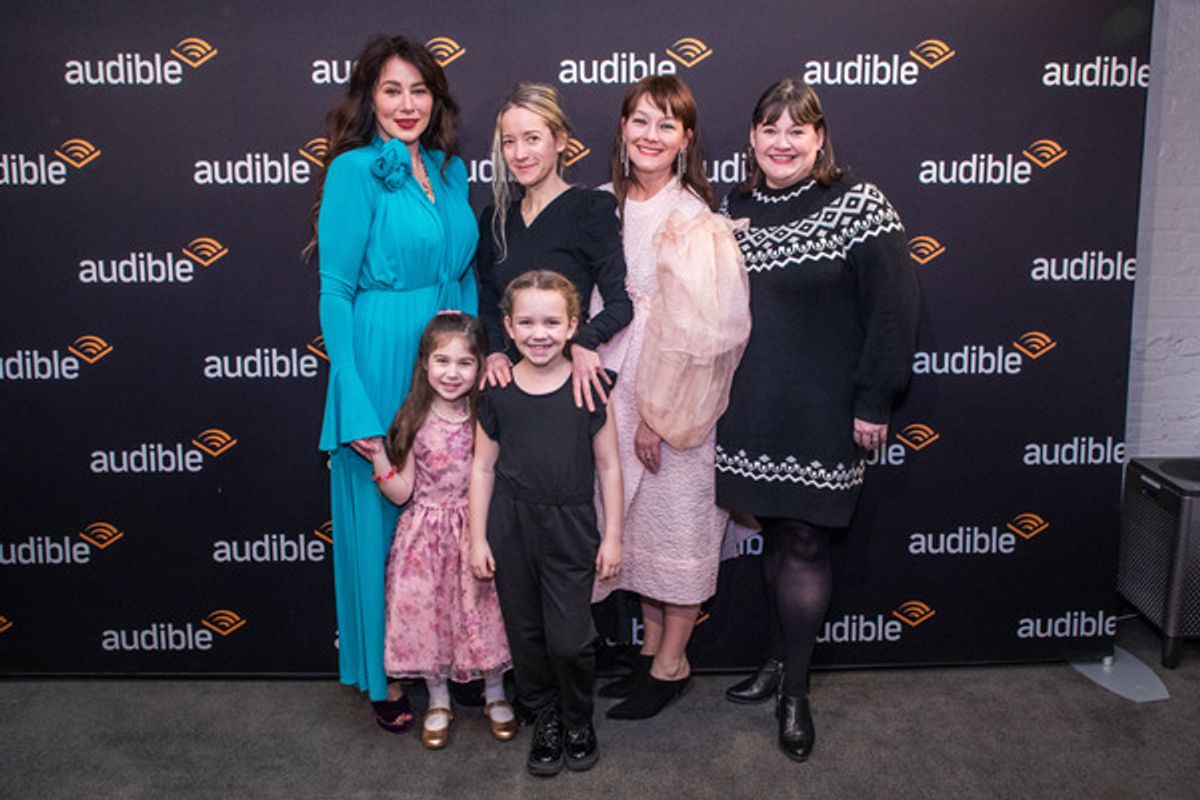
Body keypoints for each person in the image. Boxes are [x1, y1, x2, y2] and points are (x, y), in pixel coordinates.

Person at [716, 78, 919, 762]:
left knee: (804, 543)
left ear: (819, 137)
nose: (782, 142)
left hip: (824, 409)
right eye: (769, 129)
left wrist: (874, 399)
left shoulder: (859, 203)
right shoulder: (733, 205)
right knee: (775, 535)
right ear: (752, 138)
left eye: (796, 131)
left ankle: (796, 694)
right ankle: (775, 663)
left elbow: (893, 309)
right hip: (751, 406)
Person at [312, 34, 478, 731]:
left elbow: (464, 273)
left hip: (444, 362)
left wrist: (474, 363)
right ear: (369, 99)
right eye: (391, 90)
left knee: (445, 527)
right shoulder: (353, 171)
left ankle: (446, 657)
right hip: (380, 359)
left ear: (436, 99)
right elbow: (334, 290)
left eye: (420, 90)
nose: (407, 104)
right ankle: (384, 678)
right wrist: (351, 399)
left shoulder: (451, 169)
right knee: (380, 526)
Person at [592, 76, 750, 721]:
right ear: (623, 128)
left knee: (677, 522)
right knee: (633, 525)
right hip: (606, 389)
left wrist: (662, 414)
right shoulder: (600, 203)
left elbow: (704, 335)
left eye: (666, 124)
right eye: (640, 121)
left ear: (686, 139)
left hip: (671, 397)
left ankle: (671, 662)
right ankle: (650, 648)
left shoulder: (695, 219)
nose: (650, 136)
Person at [468, 271, 623, 776]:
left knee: (571, 639)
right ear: (508, 328)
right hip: (510, 526)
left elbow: (609, 466)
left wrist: (614, 535)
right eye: (528, 322)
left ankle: (579, 717)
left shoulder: (591, 387)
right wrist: (476, 538)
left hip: (572, 526)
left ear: (574, 325)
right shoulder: (497, 389)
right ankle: (547, 717)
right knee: (527, 635)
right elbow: (482, 466)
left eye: (553, 322)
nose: (540, 333)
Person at [369, 312, 514, 749]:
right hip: (423, 539)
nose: (452, 373)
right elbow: (400, 492)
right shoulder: (413, 417)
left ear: (482, 365)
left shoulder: (486, 415)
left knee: (483, 612)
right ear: (425, 365)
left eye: (465, 363)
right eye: (442, 361)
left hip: (475, 529)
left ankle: (494, 692)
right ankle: (438, 699)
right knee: (430, 618)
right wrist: (378, 455)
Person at [475, 82, 632, 410]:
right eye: (509, 142)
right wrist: (494, 354)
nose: (520, 154)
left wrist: (584, 342)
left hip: (570, 389)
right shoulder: (495, 219)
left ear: (560, 140)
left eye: (532, 139)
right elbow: (489, 304)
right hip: (511, 390)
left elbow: (620, 303)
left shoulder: (591, 209)